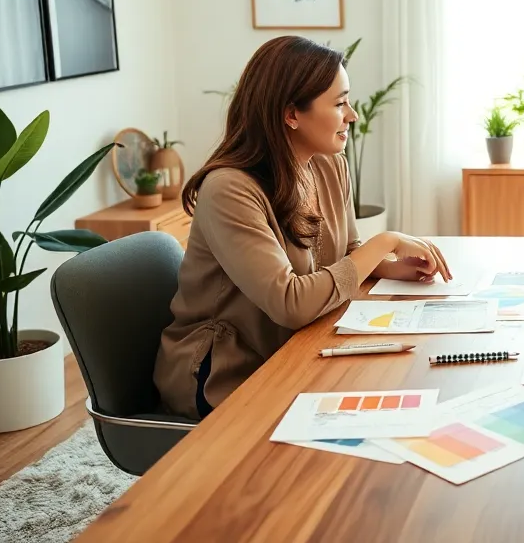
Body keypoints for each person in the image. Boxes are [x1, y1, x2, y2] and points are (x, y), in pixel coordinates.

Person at [154, 36, 451, 419]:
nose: (353, 115)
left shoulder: (328, 164)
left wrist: (390, 267)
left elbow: (347, 252)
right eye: (340, 103)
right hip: (225, 370)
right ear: (291, 114)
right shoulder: (229, 190)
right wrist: (386, 243)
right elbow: (291, 304)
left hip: (296, 344)